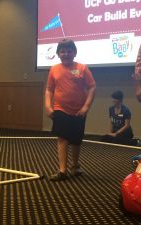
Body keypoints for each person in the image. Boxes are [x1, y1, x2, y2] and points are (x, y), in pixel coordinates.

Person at [45, 39, 96, 181]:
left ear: (74, 53)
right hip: (60, 109)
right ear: (58, 53)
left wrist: (86, 107)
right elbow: (49, 89)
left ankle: (75, 166)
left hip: (79, 111)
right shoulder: (54, 69)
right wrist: (48, 106)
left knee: (76, 140)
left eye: (69, 51)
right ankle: (62, 170)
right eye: (62, 51)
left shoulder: (82, 68)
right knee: (62, 138)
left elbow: (92, 87)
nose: (66, 54)